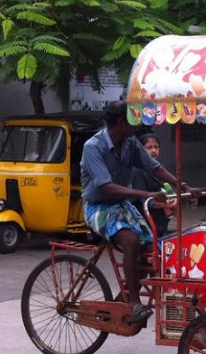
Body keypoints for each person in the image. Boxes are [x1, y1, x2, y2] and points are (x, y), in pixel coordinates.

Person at [81, 102, 193, 323]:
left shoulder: (130, 142)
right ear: (122, 123)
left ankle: (125, 297)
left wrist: (181, 184)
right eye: (135, 120)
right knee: (131, 241)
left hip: (122, 205)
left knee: (155, 247)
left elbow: (153, 167)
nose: (139, 124)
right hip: (98, 207)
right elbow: (106, 186)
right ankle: (133, 302)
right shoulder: (93, 147)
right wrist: (147, 193)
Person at [137, 133, 177, 239]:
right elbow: (145, 201)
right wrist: (164, 205)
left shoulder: (160, 169)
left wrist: (172, 199)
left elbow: (167, 187)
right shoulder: (137, 171)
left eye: (156, 147)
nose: (153, 150)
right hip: (145, 220)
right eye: (149, 148)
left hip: (161, 219)